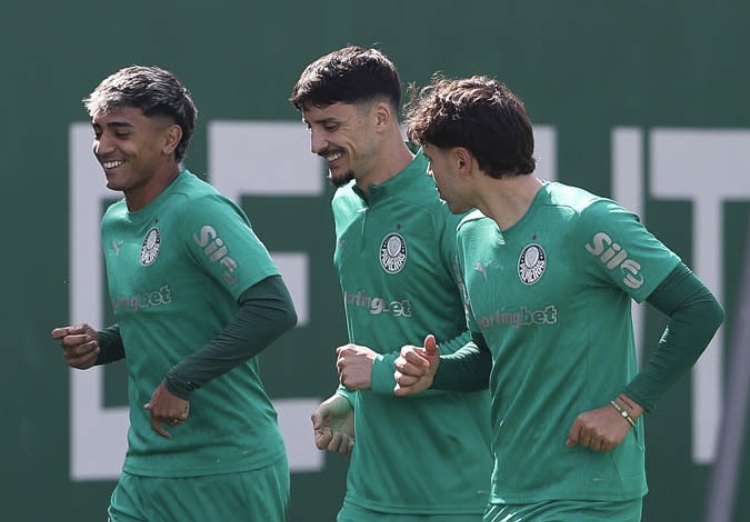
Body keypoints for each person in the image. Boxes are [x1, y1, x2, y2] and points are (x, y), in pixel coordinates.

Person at [394, 74, 725, 522]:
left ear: (462, 161)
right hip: (510, 492)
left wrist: (626, 408)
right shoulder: (469, 236)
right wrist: (437, 371)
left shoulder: (585, 221)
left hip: (589, 495)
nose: (427, 173)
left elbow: (699, 309)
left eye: (430, 160)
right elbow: (488, 358)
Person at [51, 65, 297, 522]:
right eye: (98, 132)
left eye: (121, 132)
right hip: (146, 467)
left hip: (227, 468)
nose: (103, 147)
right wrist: (103, 344)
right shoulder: (114, 223)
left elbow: (274, 309)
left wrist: (181, 381)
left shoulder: (198, 209)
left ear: (169, 139)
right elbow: (168, 316)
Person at [290, 47, 493, 521]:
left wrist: (380, 372)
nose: (316, 144)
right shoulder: (344, 203)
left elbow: (488, 347)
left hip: (456, 498)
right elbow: (382, 328)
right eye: (310, 127)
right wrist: (351, 397)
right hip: (369, 494)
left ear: (381, 118)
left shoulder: (449, 203)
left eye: (330, 126)